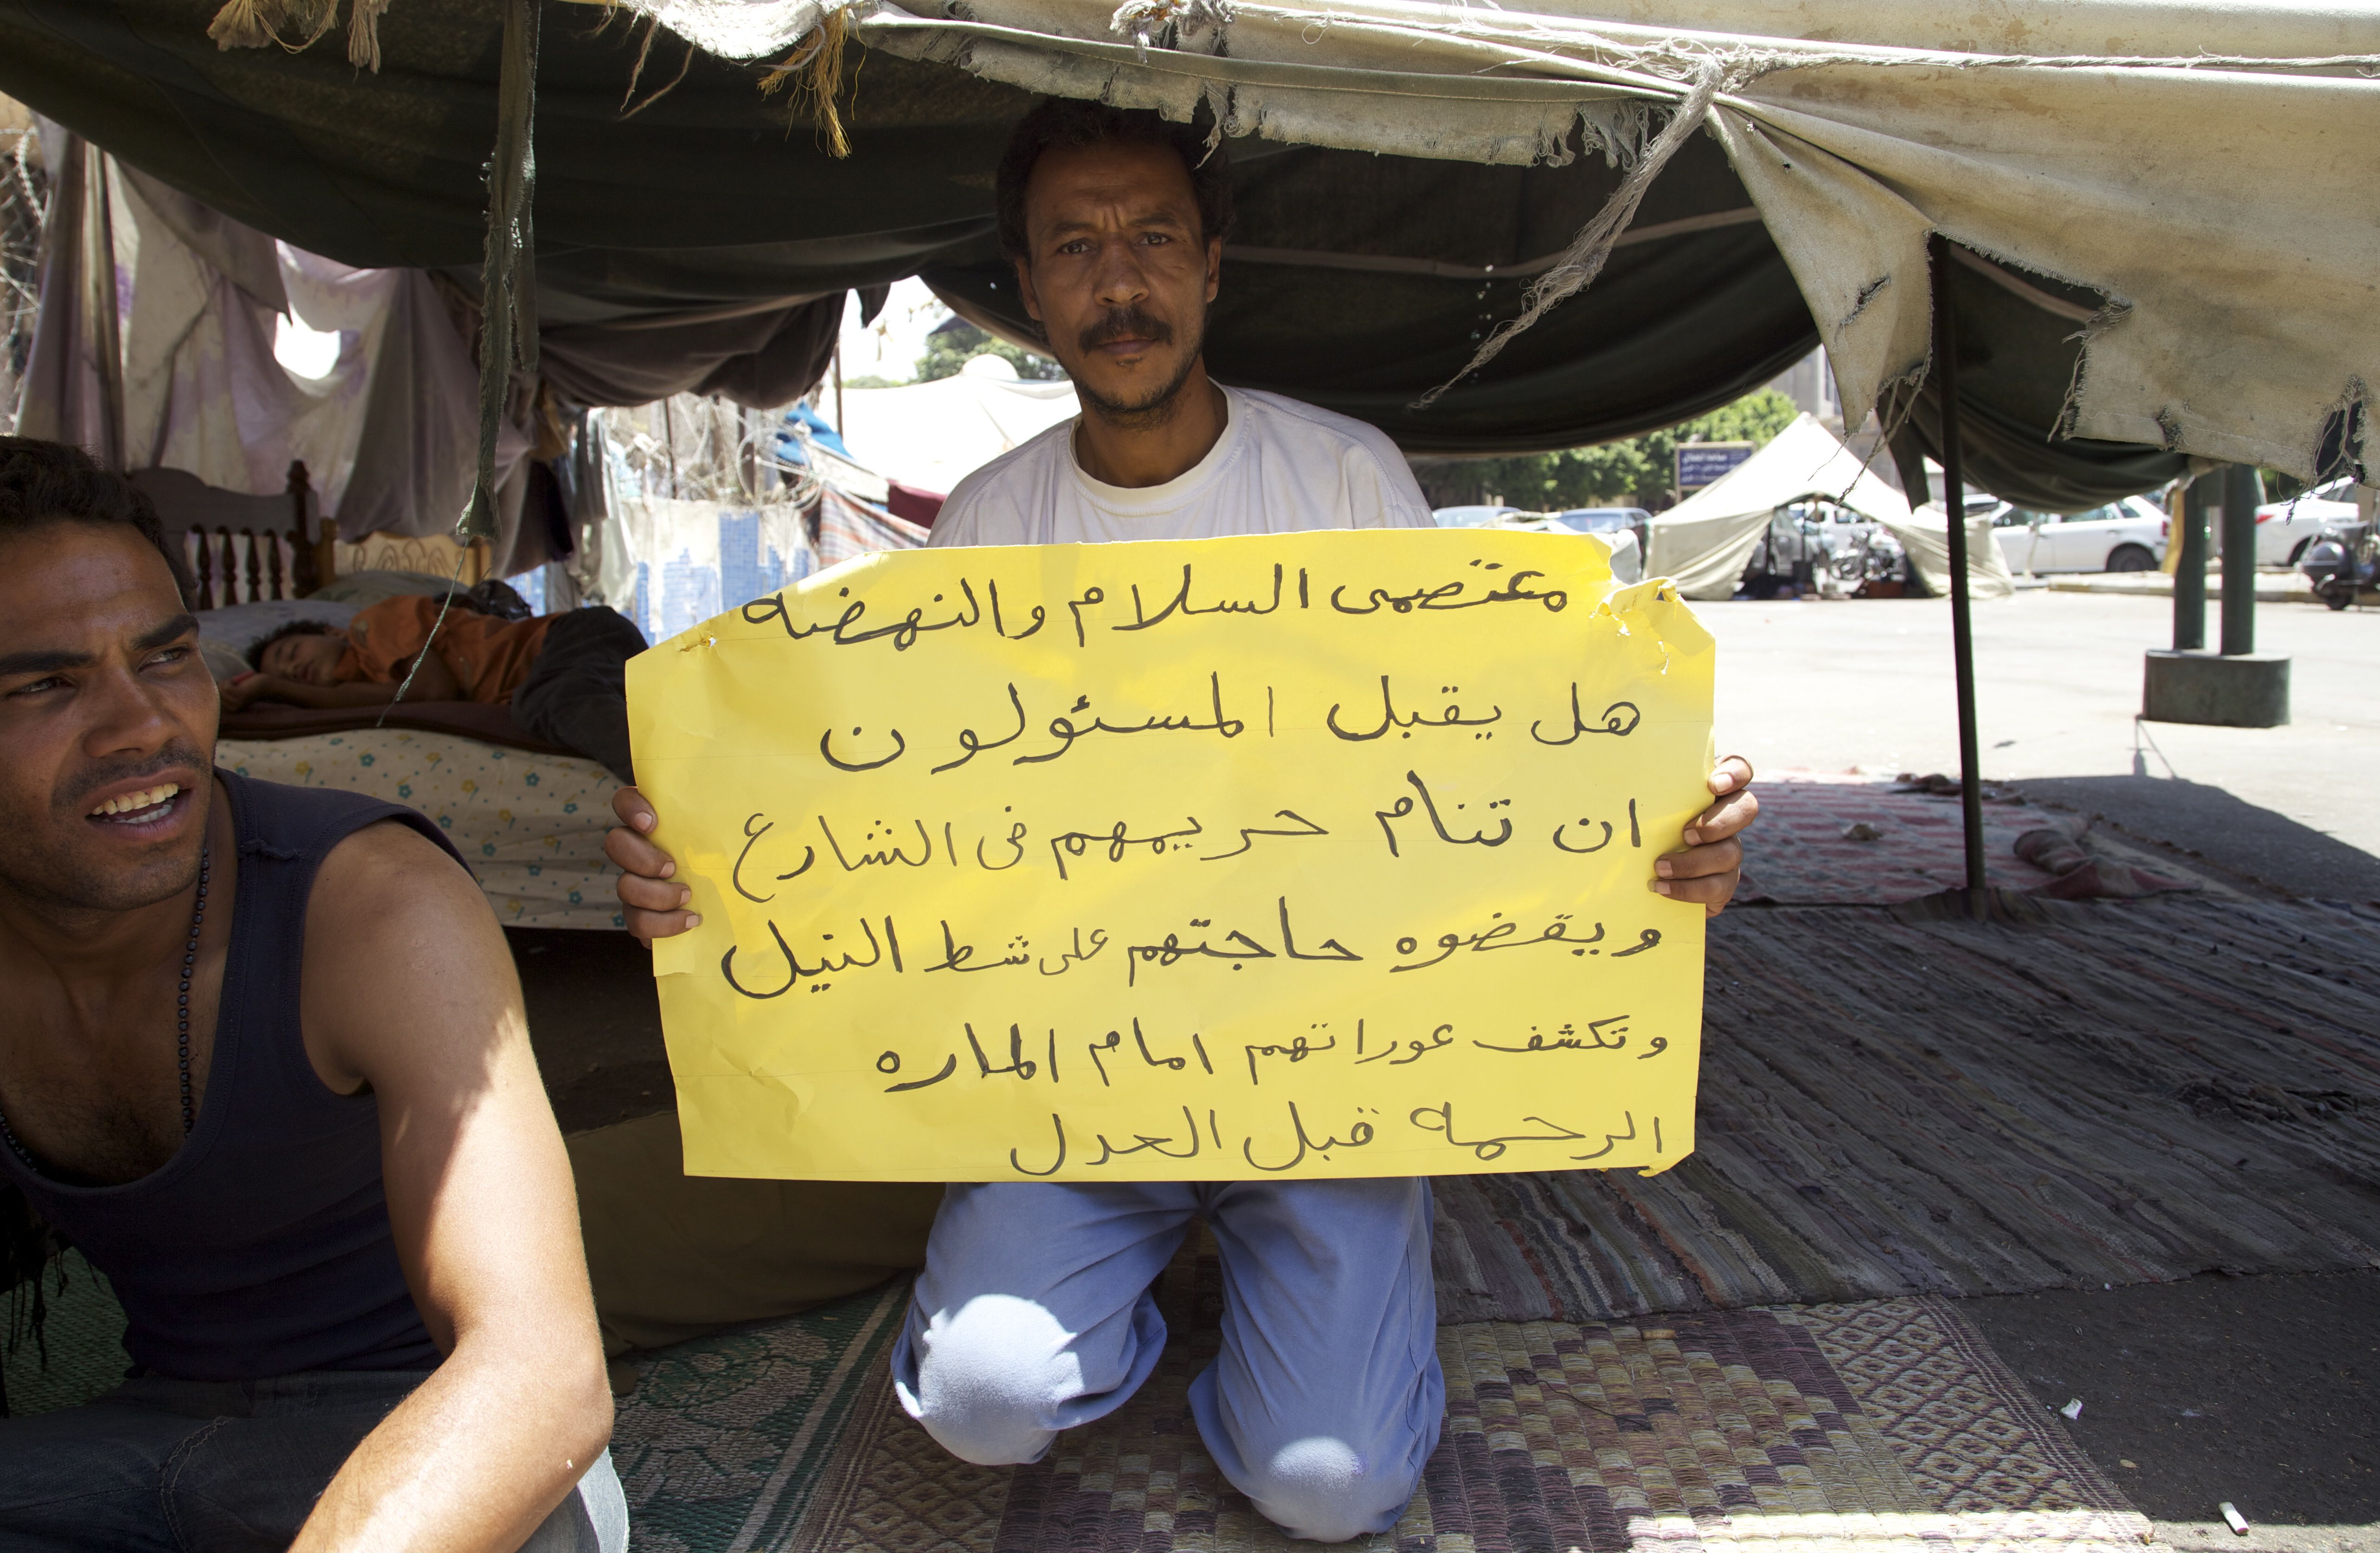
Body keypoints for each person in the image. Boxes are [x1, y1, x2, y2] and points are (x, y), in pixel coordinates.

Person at [602, 99, 1762, 1541]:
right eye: (1075, 247)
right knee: (983, 1400)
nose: (1119, 279)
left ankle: (1317, 1284)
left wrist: (1661, 833)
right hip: (1070, 1087)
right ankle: (1147, 1285)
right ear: (1028, 293)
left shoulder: (1342, 483)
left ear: (1214, 265)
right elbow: (894, 826)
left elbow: (1489, 773)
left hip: (1334, 1079)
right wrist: (707, 868)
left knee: (1326, 1490)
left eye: (1152, 238)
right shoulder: (985, 526)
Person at [0, 437, 622, 1552]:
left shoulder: (378, 909)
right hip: (139, 1433)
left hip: (423, 1429)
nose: (142, 726)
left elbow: (540, 1372)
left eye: (164, 658)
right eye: (46, 684)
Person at [226, 597, 646, 783]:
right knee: (547, 706)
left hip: (574, 636)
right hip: (578, 659)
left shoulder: (371, 626)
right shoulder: (367, 691)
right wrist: (274, 688)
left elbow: (431, 691)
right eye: (282, 672)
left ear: (332, 630)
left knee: (553, 700)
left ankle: (672, 779)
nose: (292, 667)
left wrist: (278, 687)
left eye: (292, 650)